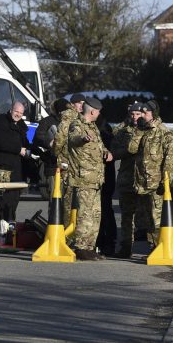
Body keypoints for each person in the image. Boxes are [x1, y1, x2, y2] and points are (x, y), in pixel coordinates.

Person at [128, 100, 173, 252]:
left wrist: (166, 180)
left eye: (146, 112)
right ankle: (153, 247)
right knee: (147, 219)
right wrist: (138, 131)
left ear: (154, 113)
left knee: (157, 219)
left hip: (157, 184)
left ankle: (160, 248)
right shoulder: (143, 130)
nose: (142, 115)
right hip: (143, 183)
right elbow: (131, 149)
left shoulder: (164, 133)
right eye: (141, 112)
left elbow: (171, 159)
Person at [66, 97, 112, 261]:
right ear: (93, 112)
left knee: (95, 214)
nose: (99, 114)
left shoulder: (93, 127)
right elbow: (74, 139)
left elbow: (98, 146)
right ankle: (81, 247)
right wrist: (83, 139)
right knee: (85, 214)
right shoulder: (77, 125)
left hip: (96, 179)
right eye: (98, 112)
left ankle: (90, 247)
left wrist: (107, 152)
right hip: (84, 178)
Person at [0, 101, 30, 223]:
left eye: (21, 113)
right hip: (2, 169)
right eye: (16, 111)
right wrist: (18, 150)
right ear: (11, 110)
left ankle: (11, 229)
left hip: (17, 170)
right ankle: (4, 228)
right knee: (4, 203)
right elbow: (0, 142)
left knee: (14, 201)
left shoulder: (21, 125)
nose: (18, 115)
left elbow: (26, 143)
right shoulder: (1, 121)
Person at [112, 102, 143, 258]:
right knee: (126, 215)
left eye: (138, 114)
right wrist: (127, 151)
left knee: (147, 215)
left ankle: (153, 247)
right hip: (127, 177)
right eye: (132, 114)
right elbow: (114, 151)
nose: (135, 117)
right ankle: (125, 247)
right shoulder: (123, 131)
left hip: (145, 180)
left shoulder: (150, 130)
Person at [56, 93, 85, 219]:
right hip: (67, 160)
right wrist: (57, 154)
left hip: (77, 161)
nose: (82, 106)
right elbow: (60, 138)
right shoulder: (69, 116)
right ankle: (67, 231)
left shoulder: (81, 117)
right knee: (68, 197)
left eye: (84, 103)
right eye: (79, 103)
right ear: (72, 104)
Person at [33, 98, 70, 197]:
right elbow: (37, 138)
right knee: (55, 199)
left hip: (69, 167)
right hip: (53, 166)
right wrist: (49, 143)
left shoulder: (72, 122)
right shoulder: (47, 121)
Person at [94, 113, 116, 257]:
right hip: (104, 176)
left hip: (103, 176)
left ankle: (105, 241)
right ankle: (105, 241)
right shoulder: (105, 128)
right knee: (104, 209)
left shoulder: (102, 131)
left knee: (103, 210)